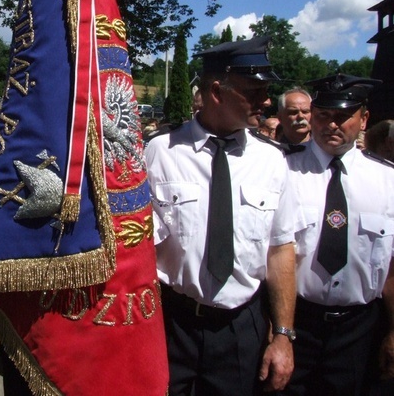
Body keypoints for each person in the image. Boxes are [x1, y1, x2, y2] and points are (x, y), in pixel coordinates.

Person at [145, 36, 296, 395]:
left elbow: (280, 251)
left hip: (240, 328)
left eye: (267, 91)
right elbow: (139, 248)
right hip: (171, 325)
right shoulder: (160, 152)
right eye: (254, 91)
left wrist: (284, 335)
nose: (265, 101)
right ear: (217, 91)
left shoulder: (272, 161)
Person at [281, 74, 394, 396]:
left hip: (360, 329)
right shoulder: (284, 172)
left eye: (343, 116)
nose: (332, 125)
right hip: (298, 322)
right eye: (324, 115)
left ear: (364, 119)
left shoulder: (388, 182)